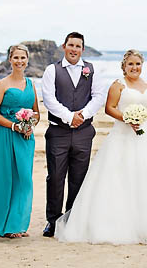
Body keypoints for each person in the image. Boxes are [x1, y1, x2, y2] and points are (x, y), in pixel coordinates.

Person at [56, 50, 147, 244]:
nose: (134, 67)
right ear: (124, 66)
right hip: (122, 137)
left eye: (138, 64)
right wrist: (127, 118)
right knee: (121, 177)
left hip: (146, 136)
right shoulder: (118, 85)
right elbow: (109, 108)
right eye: (130, 64)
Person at [41, 31, 105, 237]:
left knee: (79, 177)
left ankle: (72, 219)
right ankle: (53, 220)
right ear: (64, 46)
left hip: (84, 133)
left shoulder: (92, 70)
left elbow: (98, 96)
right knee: (55, 177)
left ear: (82, 49)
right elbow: (49, 99)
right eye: (71, 45)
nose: (74, 49)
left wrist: (83, 115)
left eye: (78, 46)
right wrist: (70, 117)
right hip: (58, 132)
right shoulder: (52, 70)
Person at [0, 44, 38, 238]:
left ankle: (18, 223)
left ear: (27, 60)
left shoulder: (31, 84)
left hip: (25, 138)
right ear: (10, 59)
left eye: (23, 57)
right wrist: (14, 126)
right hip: (6, 136)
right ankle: (6, 226)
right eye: (16, 57)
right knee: (5, 179)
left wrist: (30, 124)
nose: (20, 61)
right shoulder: (2, 84)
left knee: (24, 180)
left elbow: (36, 112)